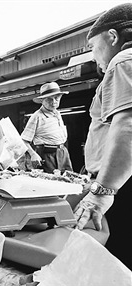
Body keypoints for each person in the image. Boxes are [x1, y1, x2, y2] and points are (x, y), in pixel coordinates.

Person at [73, 3, 132, 269]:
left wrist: (102, 192)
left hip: (122, 189)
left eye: (93, 47)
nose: (93, 56)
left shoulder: (124, 60)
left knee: (116, 264)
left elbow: (129, 125)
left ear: (113, 37)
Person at [20, 82, 73, 173]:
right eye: (49, 99)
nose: (53, 102)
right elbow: (23, 140)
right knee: (51, 183)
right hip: (47, 155)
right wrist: (33, 154)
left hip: (63, 152)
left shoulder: (57, 113)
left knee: (68, 180)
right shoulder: (37, 116)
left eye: (56, 98)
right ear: (42, 100)